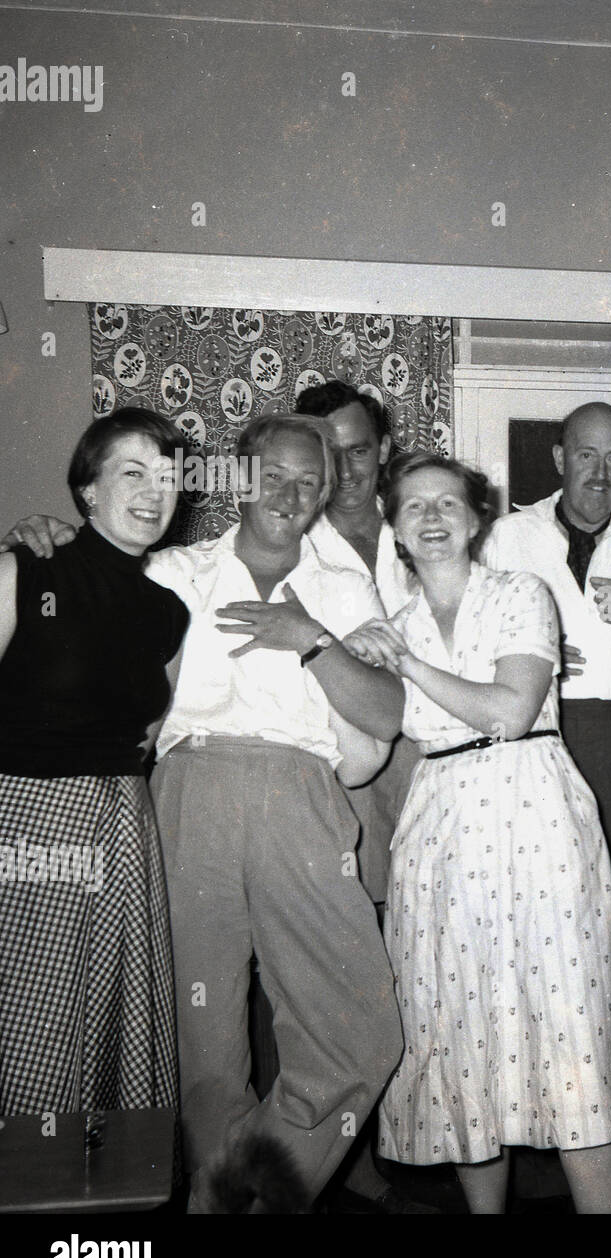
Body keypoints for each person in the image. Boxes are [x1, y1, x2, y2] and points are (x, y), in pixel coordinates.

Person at [344, 451, 611, 1214]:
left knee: (570, 1016)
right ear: (396, 530)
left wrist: (404, 664)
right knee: (456, 1024)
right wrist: (335, 657)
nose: (434, 517)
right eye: (415, 507)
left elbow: (510, 712)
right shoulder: (386, 628)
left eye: (450, 503)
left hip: (535, 807)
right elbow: (364, 753)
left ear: (479, 519)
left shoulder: (522, 594)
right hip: (439, 825)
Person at [146, 413, 405, 1210]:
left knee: (363, 1033)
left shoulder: (341, 586)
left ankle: (236, 1193)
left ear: (329, 491)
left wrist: (311, 639)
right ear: (241, 477)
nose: (293, 493)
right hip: (191, 797)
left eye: (312, 481)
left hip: (302, 798)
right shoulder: (173, 571)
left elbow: (385, 715)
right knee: (208, 1047)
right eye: (276, 475)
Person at [479, 401, 611, 1211]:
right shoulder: (508, 537)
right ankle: (535, 1150)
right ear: (559, 458)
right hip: (534, 746)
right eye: (586, 456)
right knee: (535, 948)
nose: (601, 474)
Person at [0, 409, 188, 1117]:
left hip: (122, 834)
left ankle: (90, 1209)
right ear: (87, 488)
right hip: (25, 832)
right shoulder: (23, 569)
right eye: (132, 472)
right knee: (31, 1037)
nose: (153, 491)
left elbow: (145, 736)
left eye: (168, 478)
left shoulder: (169, 612)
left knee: (105, 1042)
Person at [295, 378, 428, 1213]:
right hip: (332, 771)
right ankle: (328, 1162)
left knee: (409, 961)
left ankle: (401, 1144)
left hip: (422, 768)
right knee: (324, 972)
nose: (346, 467)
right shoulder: (286, 542)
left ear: (383, 451)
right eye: (328, 450)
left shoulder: (421, 528)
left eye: (361, 447)